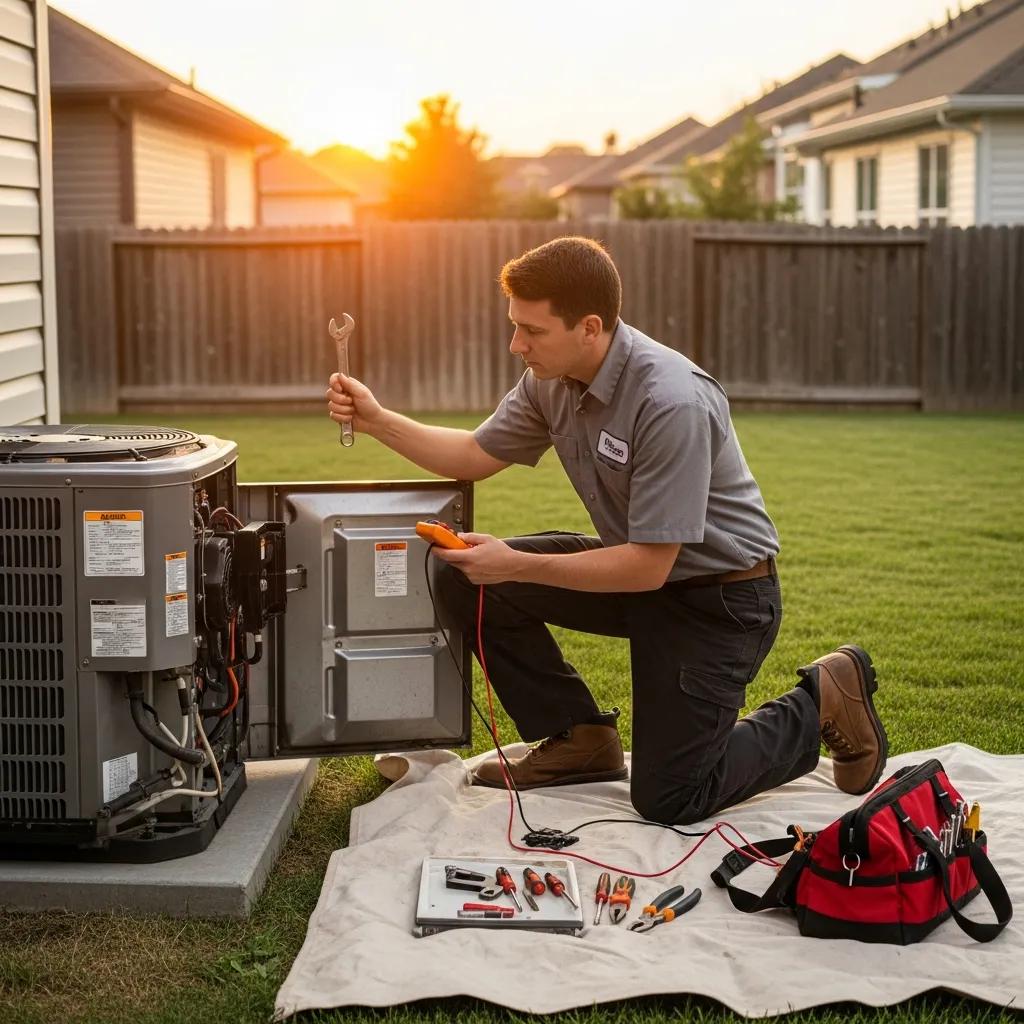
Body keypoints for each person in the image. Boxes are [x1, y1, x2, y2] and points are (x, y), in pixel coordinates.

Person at [324, 236, 888, 825]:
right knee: (461, 571)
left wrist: (515, 563)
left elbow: (649, 565)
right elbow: (472, 453)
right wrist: (376, 419)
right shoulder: (550, 380)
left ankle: (820, 698)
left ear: (589, 327)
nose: (517, 344)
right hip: (640, 575)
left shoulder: (671, 400)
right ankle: (579, 739)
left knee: (672, 797)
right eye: (515, 326)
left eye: (533, 331)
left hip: (717, 599)